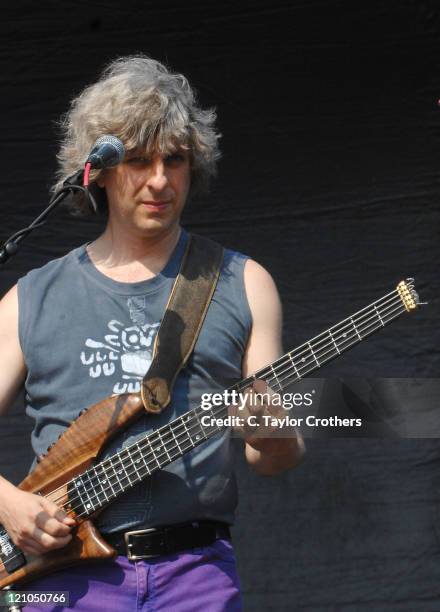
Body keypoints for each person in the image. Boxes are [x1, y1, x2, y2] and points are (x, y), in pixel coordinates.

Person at [0, 55, 304, 611]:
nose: (159, 180)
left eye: (175, 160)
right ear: (98, 170)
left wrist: (272, 432)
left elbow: (277, 456)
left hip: (195, 574)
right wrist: (7, 504)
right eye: (138, 160)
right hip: (62, 580)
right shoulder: (31, 297)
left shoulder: (245, 282)